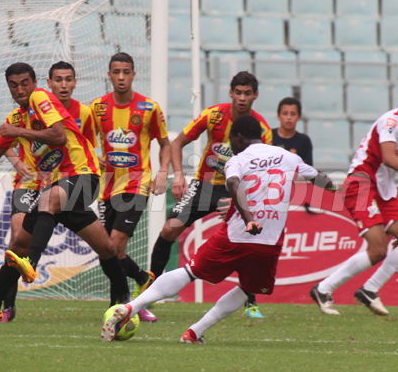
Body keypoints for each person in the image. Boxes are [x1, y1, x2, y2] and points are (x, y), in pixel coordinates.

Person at [102, 115, 334, 343]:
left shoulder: (238, 160)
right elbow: (319, 178)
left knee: (190, 272)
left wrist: (248, 218)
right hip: (269, 242)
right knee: (248, 289)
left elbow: (232, 183)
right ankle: (194, 332)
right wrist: (331, 186)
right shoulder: (288, 157)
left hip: (236, 235)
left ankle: (131, 307)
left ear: (238, 137)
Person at [0, 62, 130, 331]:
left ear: (34, 83)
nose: (20, 90)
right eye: (14, 85)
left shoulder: (40, 97)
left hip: (82, 176)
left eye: (24, 83)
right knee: (25, 245)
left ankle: (32, 263)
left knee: (46, 203)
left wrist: (17, 133)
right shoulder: (15, 118)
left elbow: (59, 136)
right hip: (57, 187)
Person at [309, 80, 398, 316]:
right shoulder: (390, 121)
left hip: (384, 190)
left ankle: (370, 290)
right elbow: (389, 158)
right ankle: (323, 289)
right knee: (378, 248)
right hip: (361, 184)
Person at [148, 71, 272, 319]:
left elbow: (263, 172)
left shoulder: (262, 130)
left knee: (249, 240)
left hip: (236, 191)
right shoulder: (214, 115)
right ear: (231, 93)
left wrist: (242, 201)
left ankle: (250, 300)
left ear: (255, 96)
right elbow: (177, 143)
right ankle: (150, 288)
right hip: (204, 186)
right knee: (169, 229)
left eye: (247, 93)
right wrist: (179, 176)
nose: (242, 98)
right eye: (238, 92)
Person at [0, 61, 96, 322]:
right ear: (49, 83)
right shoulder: (22, 113)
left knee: (107, 245)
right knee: (17, 240)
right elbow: (1, 144)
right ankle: (7, 306)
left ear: (74, 82)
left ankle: (134, 292)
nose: (63, 85)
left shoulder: (84, 112)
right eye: (58, 80)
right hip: (30, 183)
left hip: (67, 180)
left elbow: (85, 143)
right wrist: (16, 161)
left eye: (68, 79)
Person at [90, 52, 170, 322]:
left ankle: (120, 306)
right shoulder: (98, 108)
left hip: (136, 184)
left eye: (126, 72)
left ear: (134, 75)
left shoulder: (149, 108)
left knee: (114, 244)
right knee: (109, 251)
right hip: (107, 187)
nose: (121, 77)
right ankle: (140, 282)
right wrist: (94, 157)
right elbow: (83, 140)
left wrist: (163, 173)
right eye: (116, 72)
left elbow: (165, 143)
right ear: (109, 75)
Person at [271, 97, 313, 165]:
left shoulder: (304, 141)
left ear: (299, 117)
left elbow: (308, 168)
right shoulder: (268, 136)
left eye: (293, 114)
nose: (289, 117)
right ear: (278, 116)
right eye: (285, 113)